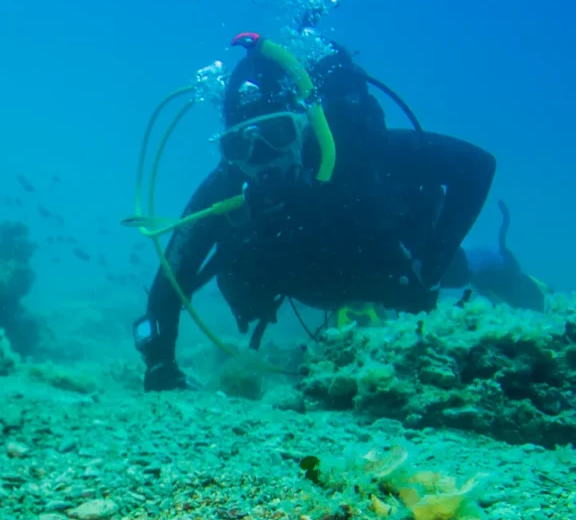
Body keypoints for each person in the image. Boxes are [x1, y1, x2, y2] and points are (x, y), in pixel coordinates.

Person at [133, 34, 497, 391]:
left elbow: (478, 166)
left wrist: (430, 266)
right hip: (314, 284)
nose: (263, 158)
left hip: (395, 269)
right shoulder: (226, 187)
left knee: (461, 269)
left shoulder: (359, 151)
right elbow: (173, 275)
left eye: (278, 133)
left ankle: (492, 260)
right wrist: (161, 363)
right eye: (241, 144)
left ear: (306, 125)